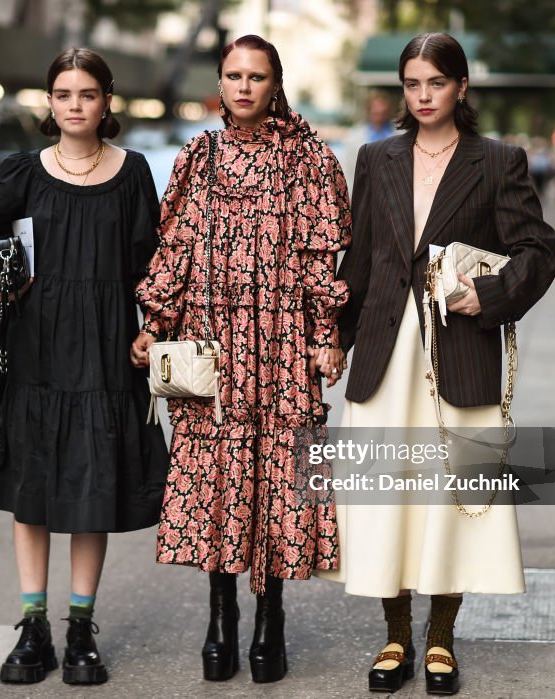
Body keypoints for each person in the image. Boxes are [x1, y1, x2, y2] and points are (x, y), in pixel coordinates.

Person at [319, 33, 555, 695]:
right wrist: (335, 337)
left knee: (455, 499)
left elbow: (538, 251)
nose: (423, 96)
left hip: (461, 349)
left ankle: (442, 638)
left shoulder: (499, 160)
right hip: (384, 356)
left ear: (461, 87)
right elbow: (360, 263)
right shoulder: (376, 158)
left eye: (436, 82)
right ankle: (395, 636)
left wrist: (489, 293)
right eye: (413, 83)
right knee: (385, 498)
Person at [0, 48, 169, 686]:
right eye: (63, 94)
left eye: (87, 94)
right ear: (49, 103)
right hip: (36, 349)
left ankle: (80, 628)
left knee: (91, 493)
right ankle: (33, 626)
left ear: (106, 103)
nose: (75, 105)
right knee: (34, 494)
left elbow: (151, 263)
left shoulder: (133, 172)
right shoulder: (24, 172)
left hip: (105, 352)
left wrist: (152, 327)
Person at [130, 34, 351, 684]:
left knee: (277, 482)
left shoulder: (308, 159)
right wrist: (156, 322)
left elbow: (320, 262)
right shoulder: (198, 157)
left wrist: (324, 335)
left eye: (257, 75)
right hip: (211, 350)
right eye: (233, 74)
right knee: (222, 484)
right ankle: (220, 616)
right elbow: (174, 251)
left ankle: (271, 618)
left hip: (281, 349)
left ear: (275, 83)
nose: (244, 86)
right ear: (220, 82)